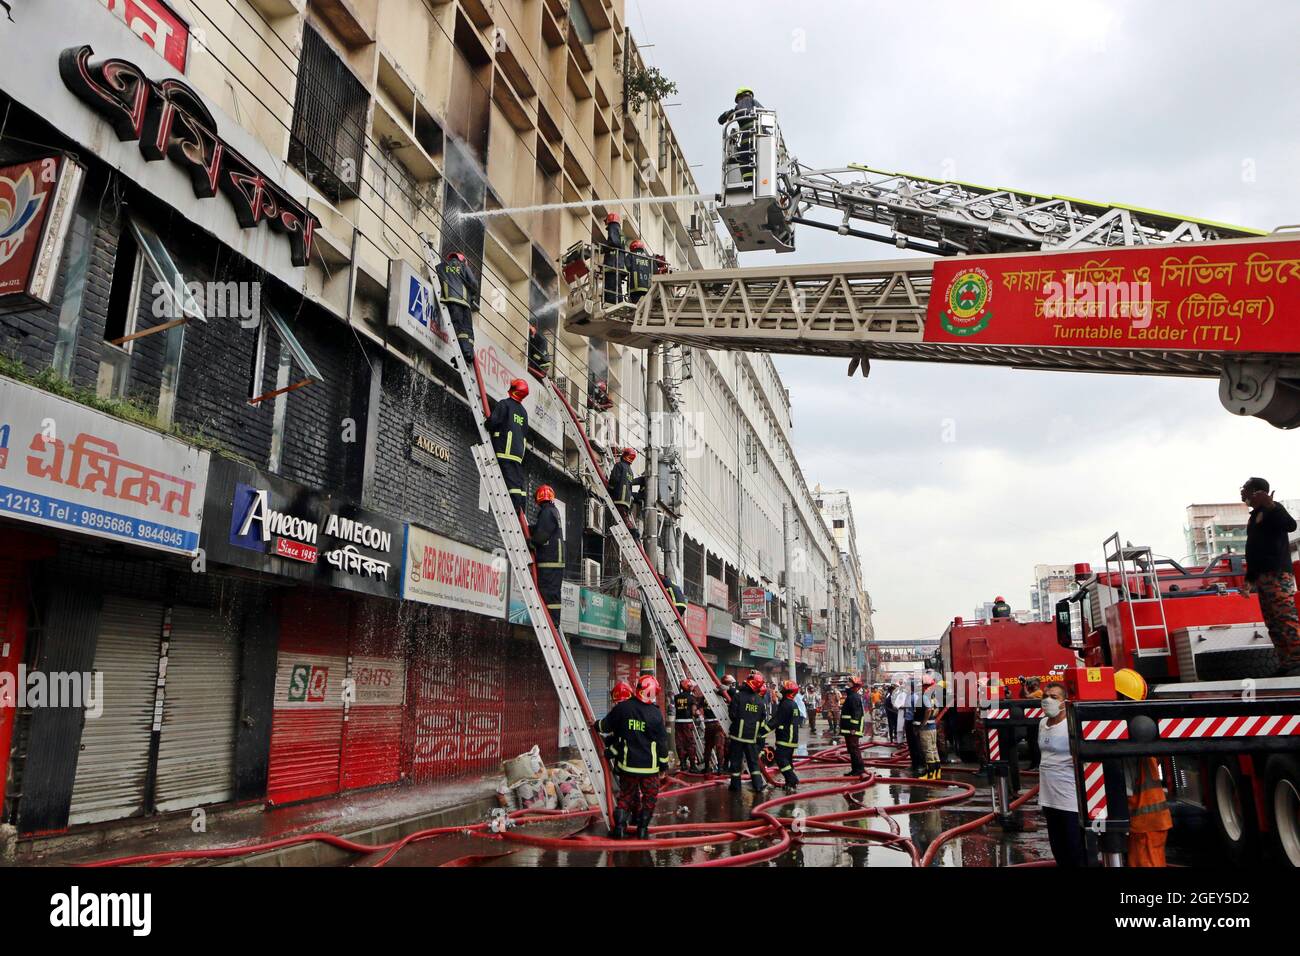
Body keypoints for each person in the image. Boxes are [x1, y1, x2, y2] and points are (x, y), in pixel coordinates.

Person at [595, 674, 670, 840]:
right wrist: (663, 767)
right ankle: (642, 830)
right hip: (649, 769)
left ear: (638, 689)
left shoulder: (623, 708)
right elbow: (662, 744)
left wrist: (594, 724)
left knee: (626, 797)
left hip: (627, 766)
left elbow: (604, 726)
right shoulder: (656, 714)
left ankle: (619, 829)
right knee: (649, 799)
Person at [1239, 477, 1300, 677]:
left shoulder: (1274, 509)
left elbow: (1291, 526)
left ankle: (1298, 659)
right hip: (1262, 577)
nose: (1242, 492)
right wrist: (1249, 580)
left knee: (1285, 617)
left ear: (1257, 492)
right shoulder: (1254, 516)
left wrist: (1272, 505)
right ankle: (1287, 662)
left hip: (1277, 574)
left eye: (1246, 489)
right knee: (1272, 622)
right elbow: (1254, 551)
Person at [1113, 668, 1172, 867]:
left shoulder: (1128, 740)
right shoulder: (1140, 734)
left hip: (1145, 823)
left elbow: (1127, 788)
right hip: (1149, 821)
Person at [1037, 680, 1088, 866]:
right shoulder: (1042, 723)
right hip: (1049, 799)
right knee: (1058, 849)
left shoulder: (1071, 724)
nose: (1047, 700)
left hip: (1070, 800)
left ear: (1064, 701)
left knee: (1074, 849)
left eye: (1053, 697)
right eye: (1045, 696)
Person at [487, 378, 530, 520]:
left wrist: (487, 423)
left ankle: (515, 509)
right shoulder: (523, 412)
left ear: (513, 390)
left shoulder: (504, 405)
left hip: (504, 451)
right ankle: (522, 507)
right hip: (518, 454)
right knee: (517, 483)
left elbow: (493, 422)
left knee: (511, 483)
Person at [727, 671, 771, 794]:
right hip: (751, 737)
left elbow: (732, 715)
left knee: (736, 762)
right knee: (753, 762)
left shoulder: (738, 696)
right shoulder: (760, 701)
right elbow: (762, 718)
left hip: (738, 736)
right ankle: (758, 785)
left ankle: (735, 786)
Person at [528, 485, 564, 624]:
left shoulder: (547, 512)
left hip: (550, 558)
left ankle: (552, 621)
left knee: (548, 591)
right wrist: (531, 529)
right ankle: (553, 621)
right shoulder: (552, 511)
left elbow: (543, 533)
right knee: (552, 591)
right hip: (555, 558)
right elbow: (542, 528)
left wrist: (532, 542)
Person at [437, 251, 480, 365]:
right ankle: (467, 355)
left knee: (458, 329)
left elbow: (434, 278)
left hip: (449, 301)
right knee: (466, 330)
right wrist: (473, 295)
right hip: (463, 302)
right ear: (462, 259)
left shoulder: (441, 267)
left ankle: (460, 355)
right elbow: (473, 283)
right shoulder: (463, 266)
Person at [772, 680, 803, 790]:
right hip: (791, 738)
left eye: (783, 689)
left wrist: (761, 732)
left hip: (785, 738)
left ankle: (792, 779)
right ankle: (790, 783)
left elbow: (776, 720)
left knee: (780, 759)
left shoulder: (785, 704)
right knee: (788, 761)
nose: (781, 690)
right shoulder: (792, 704)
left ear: (788, 692)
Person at [607, 447, 644, 533]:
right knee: (624, 517)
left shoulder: (619, 466)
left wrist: (609, 489)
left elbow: (614, 480)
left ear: (624, 455)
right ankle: (632, 530)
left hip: (619, 498)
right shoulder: (630, 471)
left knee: (624, 520)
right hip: (627, 501)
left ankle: (633, 531)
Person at [703, 675, 734, 772]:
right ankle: (721, 768)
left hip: (708, 724)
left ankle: (707, 767)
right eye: (731, 684)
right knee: (721, 746)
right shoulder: (726, 694)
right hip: (720, 724)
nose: (732, 686)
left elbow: (697, 708)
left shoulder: (707, 695)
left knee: (708, 746)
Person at [671, 678, 702, 773]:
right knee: (690, 744)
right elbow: (694, 712)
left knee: (680, 743)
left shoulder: (676, 697)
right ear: (688, 687)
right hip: (687, 723)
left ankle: (683, 764)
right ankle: (693, 766)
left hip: (678, 723)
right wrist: (698, 714)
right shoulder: (692, 698)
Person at [839, 675, 866, 776]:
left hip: (852, 729)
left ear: (854, 685)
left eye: (849, 682)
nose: (847, 683)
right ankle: (855, 770)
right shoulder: (851, 696)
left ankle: (859, 770)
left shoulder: (854, 697)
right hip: (848, 729)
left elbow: (856, 714)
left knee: (854, 749)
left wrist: (854, 728)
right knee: (851, 750)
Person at [917, 673, 941, 780]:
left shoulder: (925, 696)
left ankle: (930, 774)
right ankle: (937, 772)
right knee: (933, 749)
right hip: (933, 727)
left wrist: (923, 722)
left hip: (926, 728)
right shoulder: (933, 697)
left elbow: (928, 710)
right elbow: (936, 710)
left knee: (928, 750)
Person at [602, 213, 626, 306]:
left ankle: (610, 304)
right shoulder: (620, 231)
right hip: (619, 264)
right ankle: (618, 303)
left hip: (612, 263)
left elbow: (613, 242)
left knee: (610, 287)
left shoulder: (613, 226)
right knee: (617, 288)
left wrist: (605, 248)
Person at [1022, 677, 1044, 770]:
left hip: (1036, 722)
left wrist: (1024, 687)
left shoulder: (1039, 692)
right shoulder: (1035, 693)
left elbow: (1026, 696)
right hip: (1033, 722)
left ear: (1035, 685)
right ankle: (1034, 764)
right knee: (1032, 743)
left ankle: (1037, 765)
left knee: (1035, 744)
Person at [626, 239, 652, 304]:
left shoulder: (630, 255)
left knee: (636, 308)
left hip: (635, 288)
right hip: (647, 288)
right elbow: (654, 270)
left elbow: (627, 267)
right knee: (645, 307)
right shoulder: (649, 258)